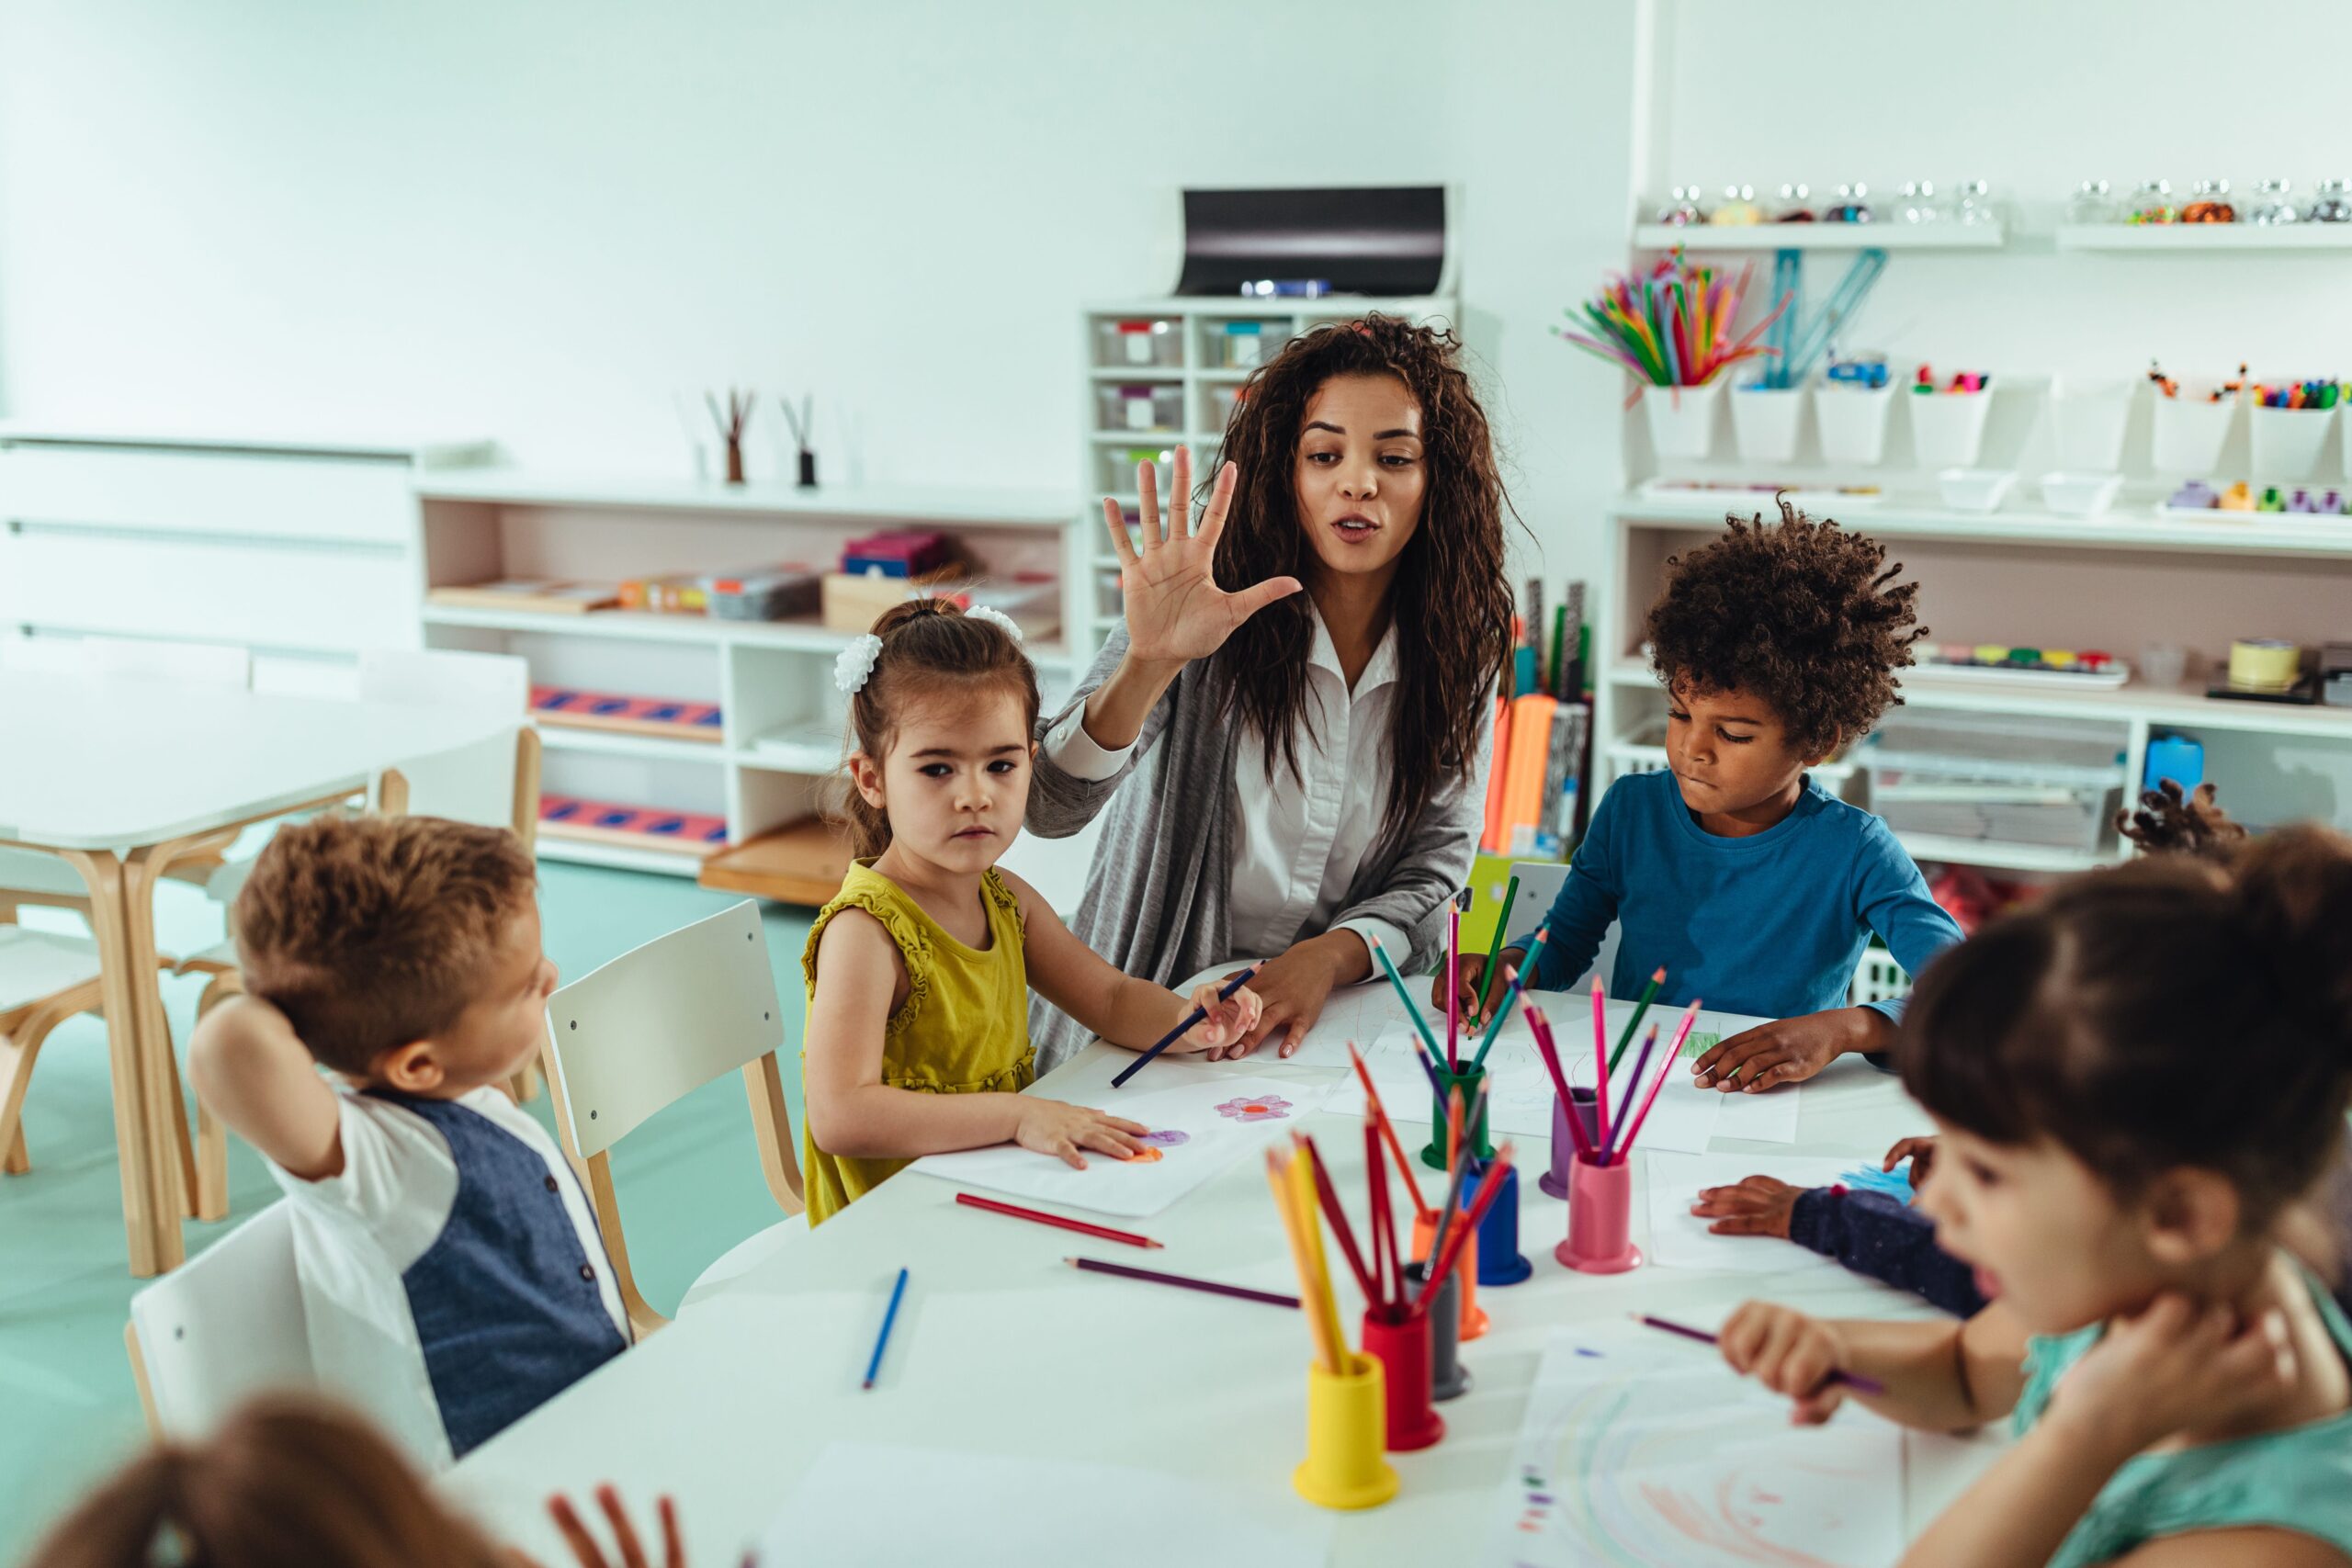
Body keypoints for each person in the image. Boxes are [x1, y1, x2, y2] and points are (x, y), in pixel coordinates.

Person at [1716, 827, 2352, 1566]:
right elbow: (1962, 1370)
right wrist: (1839, 1347)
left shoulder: (2276, 1546)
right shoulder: (2140, 1285)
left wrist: (2084, 1436)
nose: (1934, 1203)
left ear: (2180, 1213)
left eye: (1986, 1172)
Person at [1027, 315, 1515, 1071]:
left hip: (1327, 1027)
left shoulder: (1464, 636)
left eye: (1395, 457)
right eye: (1325, 455)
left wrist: (1327, 957)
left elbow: (1438, 863)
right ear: (1286, 472)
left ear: (1435, 479)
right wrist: (1148, 663)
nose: (1358, 481)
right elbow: (1048, 805)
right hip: (1147, 1017)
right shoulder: (1208, 584)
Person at [1446, 500, 1962, 1094]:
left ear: (1817, 740)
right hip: (1643, 1089)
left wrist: (1845, 1028)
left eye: (1733, 732)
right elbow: (1563, 942)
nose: (1692, 748)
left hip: (1774, 1106)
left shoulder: (1856, 850)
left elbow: (1962, 988)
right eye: (1679, 712)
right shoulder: (1630, 812)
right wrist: (1508, 966)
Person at [800, 600, 1261, 1225]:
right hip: (893, 1226)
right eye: (937, 768)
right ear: (872, 778)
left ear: (1031, 765)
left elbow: (1112, 999)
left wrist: (1189, 1020)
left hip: (993, 1192)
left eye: (1001, 764)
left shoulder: (1005, 898)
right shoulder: (865, 931)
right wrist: (1019, 1115)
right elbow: (841, 1115)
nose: (975, 795)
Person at [189, 816, 623, 1466]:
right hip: (488, 1492)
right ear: (416, 1063)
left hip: (588, 1432)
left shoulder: (470, 1092)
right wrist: (294, 993)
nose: (553, 976)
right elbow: (228, 1046)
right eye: (526, 985)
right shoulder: (379, 1165)